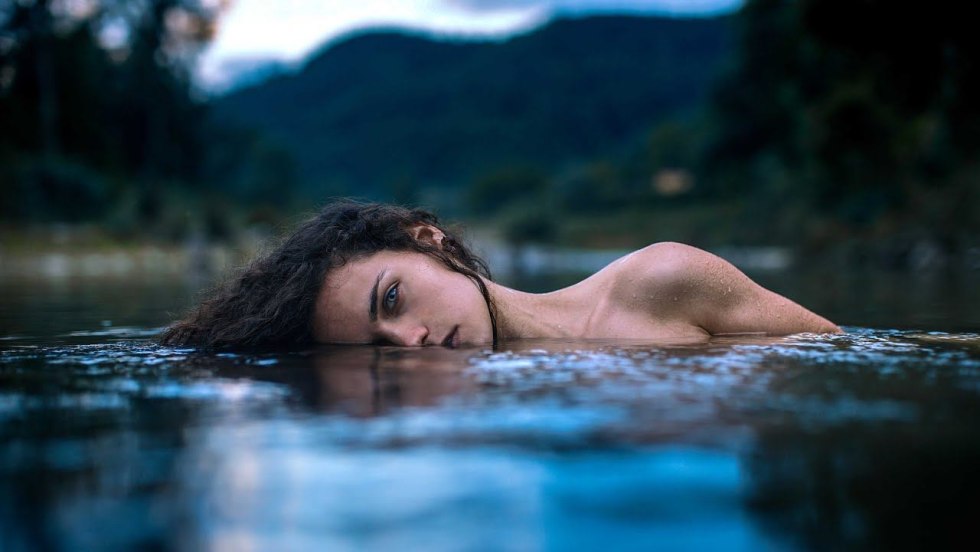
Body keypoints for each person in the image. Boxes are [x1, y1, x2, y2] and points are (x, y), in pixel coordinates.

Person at [161, 200, 840, 349]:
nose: (410, 342)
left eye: (391, 300)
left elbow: (839, 354)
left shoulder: (659, 283)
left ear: (432, 243)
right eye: (377, 352)